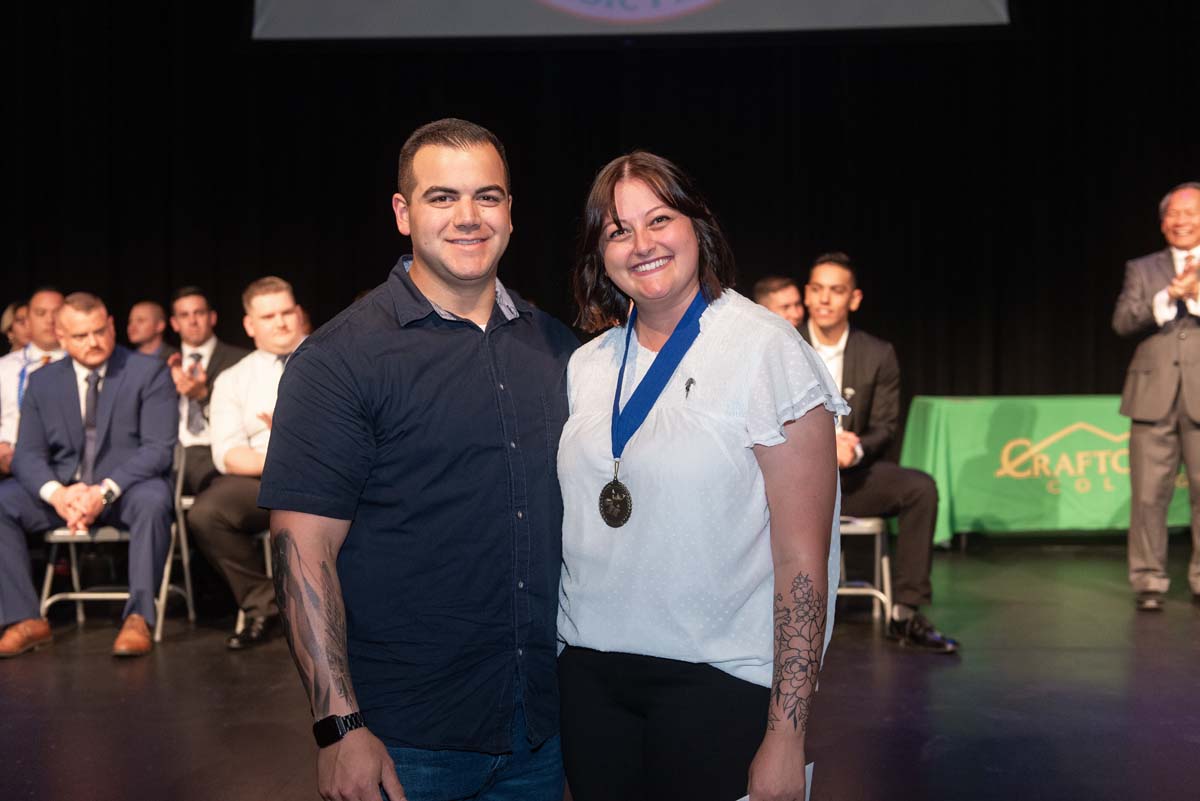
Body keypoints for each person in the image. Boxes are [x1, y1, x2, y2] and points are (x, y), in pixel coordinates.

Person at [259, 118, 577, 801]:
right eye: (442, 197)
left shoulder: (558, 350)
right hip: (403, 744)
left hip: (540, 736)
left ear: (511, 213)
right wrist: (339, 726)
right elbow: (300, 549)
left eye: (488, 197)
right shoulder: (341, 359)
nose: (468, 217)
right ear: (402, 212)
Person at [556, 151, 844, 801]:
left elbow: (804, 560)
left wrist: (787, 734)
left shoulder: (769, 351)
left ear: (699, 227)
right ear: (598, 252)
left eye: (659, 218)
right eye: (618, 230)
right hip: (589, 679)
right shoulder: (588, 366)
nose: (642, 243)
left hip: (719, 680)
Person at [0, 292, 177, 658]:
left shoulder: (148, 371)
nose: (93, 342)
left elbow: (159, 448)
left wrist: (103, 492)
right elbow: (28, 454)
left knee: (155, 498)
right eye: (80, 336)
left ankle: (139, 616)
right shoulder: (44, 381)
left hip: (125, 490)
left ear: (111, 326)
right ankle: (24, 619)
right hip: (66, 494)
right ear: (61, 337)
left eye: (99, 331)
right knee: (2, 502)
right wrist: (58, 495)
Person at [798, 252, 958, 653]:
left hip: (849, 476)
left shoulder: (877, 353)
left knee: (919, 488)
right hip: (793, 479)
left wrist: (855, 450)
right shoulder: (785, 343)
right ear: (806, 294)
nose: (825, 299)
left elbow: (884, 426)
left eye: (836, 291)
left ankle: (905, 612)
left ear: (854, 299)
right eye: (817, 289)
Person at [187, 277, 303, 650]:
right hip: (262, 477)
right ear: (250, 325)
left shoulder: (334, 359)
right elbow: (227, 453)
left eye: (287, 312)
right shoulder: (234, 379)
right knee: (208, 513)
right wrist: (285, 460)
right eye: (269, 316)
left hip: (332, 475)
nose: (281, 322)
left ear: (298, 313)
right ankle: (265, 604)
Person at [1113, 181, 1200, 611]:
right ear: (1163, 222)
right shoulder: (1142, 268)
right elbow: (1123, 321)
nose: (1181, 221)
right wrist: (1168, 296)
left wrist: (1197, 299)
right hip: (1152, 395)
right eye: (1174, 215)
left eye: (1191, 213)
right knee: (1149, 495)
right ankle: (1149, 581)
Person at [166, 286, 249, 495]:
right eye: (184, 315)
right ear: (174, 323)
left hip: (216, 455)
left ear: (212, 318)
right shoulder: (161, 365)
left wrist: (203, 396)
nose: (193, 321)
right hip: (170, 455)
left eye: (199, 313)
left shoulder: (240, 361)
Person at [0, 289, 66, 476]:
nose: (50, 320)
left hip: (71, 464)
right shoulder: (5, 367)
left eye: (57, 312)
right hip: (11, 465)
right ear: (27, 320)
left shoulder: (85, 365)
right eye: (41, 313)